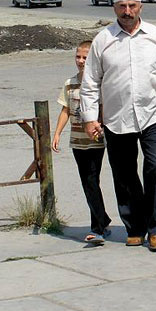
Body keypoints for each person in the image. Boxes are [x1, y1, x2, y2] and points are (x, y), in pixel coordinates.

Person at [79, 0, 156, 252]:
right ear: (114, 8)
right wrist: (90, 117)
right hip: (117, 117)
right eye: (122, 7)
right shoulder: (103, 40)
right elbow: (91, 82)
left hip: (155, 113)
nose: (127, 12)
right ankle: (135, 227)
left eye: (132, 6)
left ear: (141, 6)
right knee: (124, 172)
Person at [52, 40, 112, 245]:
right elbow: (66, 110)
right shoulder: (70, 83)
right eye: (78, 57)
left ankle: (98, 228)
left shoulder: (99, 84)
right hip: (77, 140)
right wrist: (57, 133)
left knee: (91, 180)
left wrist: (101, 126)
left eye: (85, 58)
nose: (80, 61)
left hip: (95, 140)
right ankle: (102, 220)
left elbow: (104, 109)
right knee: (88, 181)